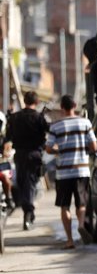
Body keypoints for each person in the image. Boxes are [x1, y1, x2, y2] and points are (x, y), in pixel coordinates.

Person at [45, 95, 97, 249]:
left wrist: (59, 150)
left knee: (64, 206)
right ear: (75, 105)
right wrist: (83, 148)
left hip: (63, 172)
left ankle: (69, 240)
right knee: (81, 203)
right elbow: (94, 147)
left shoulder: (56, 126)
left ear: (62, 108)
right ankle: (81, 224)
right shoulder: (85, 122)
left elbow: (48, 148)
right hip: (81, 170)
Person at [3, 91, 49, 230]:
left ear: (24, 100)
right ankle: (28, 212)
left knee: (24, 183)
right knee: (30, 184)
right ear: (36, 102)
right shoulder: (39, 118)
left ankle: (28, 212)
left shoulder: (15, 117)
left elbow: (7, 137)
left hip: (20, 155)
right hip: (34, 155)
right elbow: (47, 134)